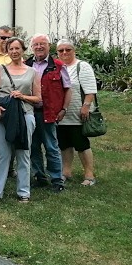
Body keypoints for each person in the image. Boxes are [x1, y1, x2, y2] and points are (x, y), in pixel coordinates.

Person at [0, 37, 41, 202]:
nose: (14, 52)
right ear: (7, 51)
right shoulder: (0, 70)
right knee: (2, 153)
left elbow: (38, 98)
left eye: (17, 48)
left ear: (23, 50)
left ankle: (23, 192)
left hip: (25, 116)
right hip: (3, 116)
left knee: (23, 152)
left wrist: (22, 96)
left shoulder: (32, 72)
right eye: (11, 49)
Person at [27, 34, 72, 192]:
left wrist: (64, 109)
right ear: (31, 47)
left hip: (49, 113)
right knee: (33, 147)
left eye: (42, 44)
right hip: (30, 112)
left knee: (51, 147)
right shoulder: (26, 65)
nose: (39, 47)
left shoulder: (58, 66)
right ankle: (39, 176)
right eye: (36, 44)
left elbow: (68, 89)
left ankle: (57, 180)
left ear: (48, 46)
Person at [55, 39, 98, 186]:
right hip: (61, 115)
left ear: (74, 50)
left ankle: (89, 174)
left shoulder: (82, 66)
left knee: (81, 144)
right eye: (61, 50)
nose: (64, 53)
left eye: (68, 49)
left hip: (78, 113)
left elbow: (91, 90)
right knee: (64, 144)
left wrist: (86, 106)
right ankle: (66, 172)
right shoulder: (57, 67)